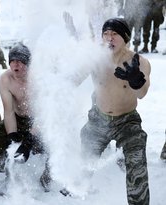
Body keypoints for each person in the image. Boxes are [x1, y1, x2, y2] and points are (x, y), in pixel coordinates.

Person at [68, 18, 151, 204]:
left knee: (136, 164)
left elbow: (142, 94)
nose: (109, 38)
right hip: (98, 119)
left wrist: (136, 80)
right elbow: (72, 79)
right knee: (83, 165)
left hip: (127, 122)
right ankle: (71, 189)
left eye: (114, 34)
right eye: (106, 34)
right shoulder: (95, 59)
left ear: (125, 38)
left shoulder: (139, 62)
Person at [0, 43, 45, 194]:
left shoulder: (39, 79)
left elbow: (44, 114)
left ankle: (44, 178)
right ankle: (10, 174)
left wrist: (29, 141)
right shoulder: (5, 79)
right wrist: (12, 137)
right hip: (17, 119)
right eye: (13, 61)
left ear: (28, 63)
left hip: (40, 121)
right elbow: (8, 111)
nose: (16, 65)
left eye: (21, 61)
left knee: (49, 146)